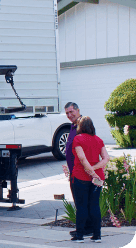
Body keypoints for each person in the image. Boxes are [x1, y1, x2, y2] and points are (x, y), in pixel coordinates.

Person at [71, 116, 109, 243]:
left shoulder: (78, 139)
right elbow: (106, 159)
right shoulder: (99, 140)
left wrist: (91, 172)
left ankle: (80, 235)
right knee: (94, 205)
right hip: (98, 178)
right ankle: (97, 235)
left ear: (79, 127)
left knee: (81, 206)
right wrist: (95, 170)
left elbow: (82, 159)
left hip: (81, 176)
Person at [64, 102, 93, 237]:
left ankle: (85, 229)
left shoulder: (83, 125)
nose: (69, 115)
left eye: (71, 112)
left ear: (78, 110)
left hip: (82, 172)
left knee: (82, 203)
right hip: (74, 172)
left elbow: (88, 147)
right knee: (79, 201)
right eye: (67, 113)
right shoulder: (73, 126)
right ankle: (87, 227)